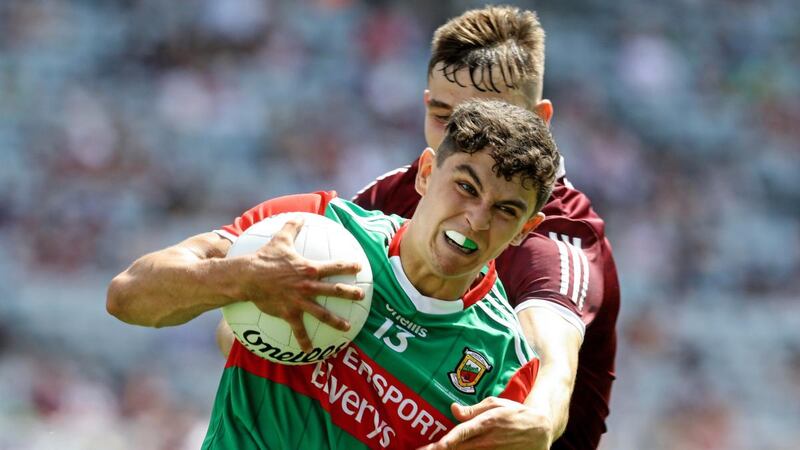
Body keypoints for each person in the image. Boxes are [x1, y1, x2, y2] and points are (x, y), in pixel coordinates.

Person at [217, 5, 619, 449]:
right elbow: (254, 325)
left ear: (539, 119)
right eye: (445, 116)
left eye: (490, 115)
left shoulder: (559, 238)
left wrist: (541, 416)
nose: (465, 133)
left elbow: (551, 362)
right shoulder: (399, 191)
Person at [107, 100, 561, 449]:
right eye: (465, 187)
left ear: (525, 230)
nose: (477, 220)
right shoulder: (311, 228)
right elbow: (127, 296)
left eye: (505, 210)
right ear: (426, 174)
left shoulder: (505, 368)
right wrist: (243, 278)